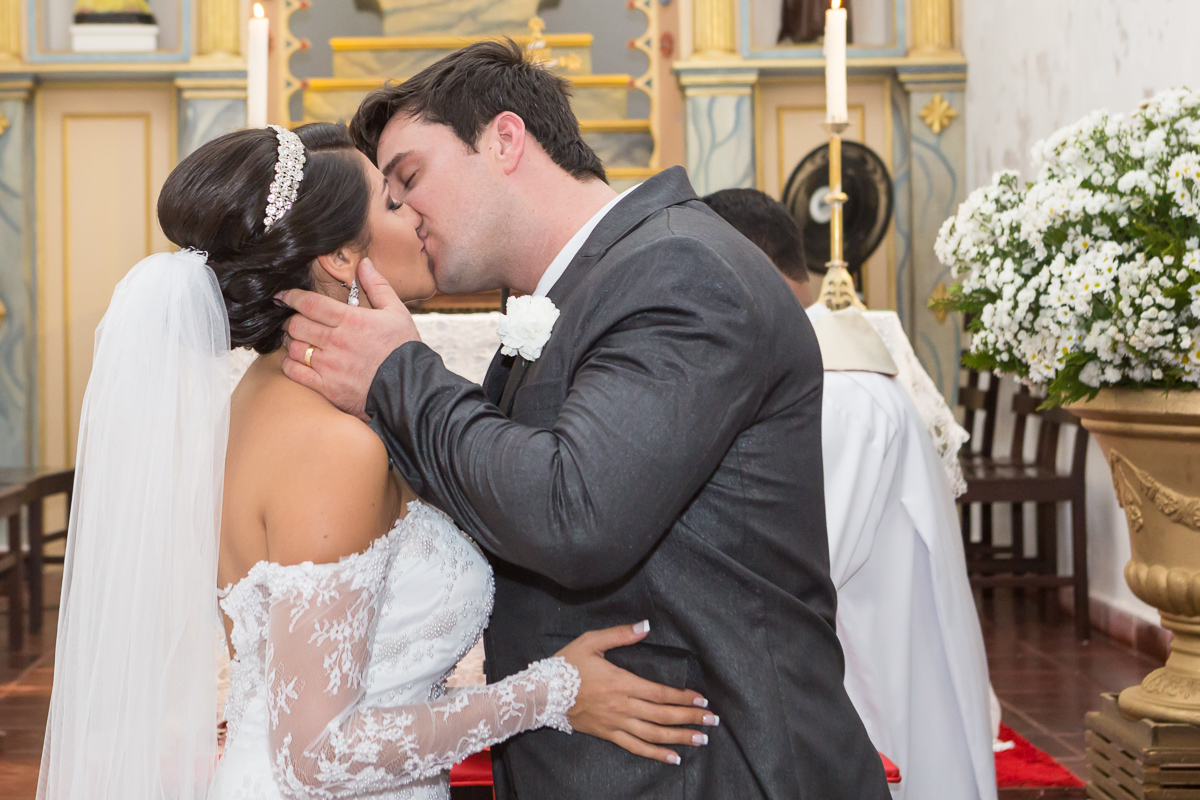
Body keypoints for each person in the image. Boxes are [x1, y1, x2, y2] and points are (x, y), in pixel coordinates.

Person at [278, 40, 889, 800]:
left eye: (409, 177)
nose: (402, 212)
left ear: (505, 140)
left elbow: (574, 513)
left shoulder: (682, 272)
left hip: (717, 767)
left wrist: (397, 374)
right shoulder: (578, 290)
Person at [37, 122, 719, 800]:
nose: (418, 212)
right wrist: (550, 693)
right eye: (394, 202)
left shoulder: (265, 396)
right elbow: (316, 755)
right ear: (339, 257)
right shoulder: (331, 446)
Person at [702, 187, 998, 800]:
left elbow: (794, 574)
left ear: (742, 267)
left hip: (869, 705)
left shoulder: (836, 395)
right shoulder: (815, 377)